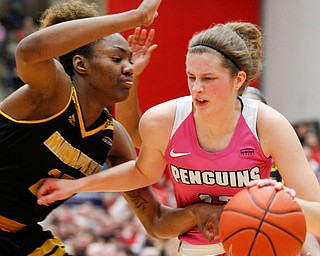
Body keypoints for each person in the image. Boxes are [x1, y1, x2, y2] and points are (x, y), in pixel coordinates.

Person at [37, 21, 320, 256]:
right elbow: (140, 173)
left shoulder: (268, 124)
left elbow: (317, 218)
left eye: (208, 79)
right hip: (197, 247)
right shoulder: (164, 120)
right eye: (190, 76)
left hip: (256, 246)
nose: (197, 88)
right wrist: (75, 186)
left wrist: (279, 206)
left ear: (239, 80)